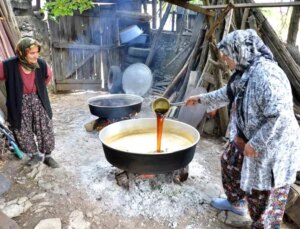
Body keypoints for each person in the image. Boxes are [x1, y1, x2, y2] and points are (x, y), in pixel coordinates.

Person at [186, 29, 300, 228]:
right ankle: (236, 203)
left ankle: (261, 224)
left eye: (227, 56)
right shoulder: (246, 72)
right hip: (247, 137)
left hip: (273, 147)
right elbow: (228, 92)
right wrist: (201, 99)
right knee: (229, 163)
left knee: (263, 199)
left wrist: (256, 143)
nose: (225, 61)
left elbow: (280, 117)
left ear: (241, 52)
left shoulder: (266, 76)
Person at [0, 37, 59, 168]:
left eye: (37, 52)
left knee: (45, 127)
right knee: (22, 130)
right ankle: (35, 155)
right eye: (32, 53)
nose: (36, 56)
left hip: (38, 99)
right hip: (19, 101)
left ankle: (48, 156)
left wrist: (37, 90)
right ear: (21, 53)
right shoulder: (8, 65)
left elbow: (47, 77)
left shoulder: (41, 64)